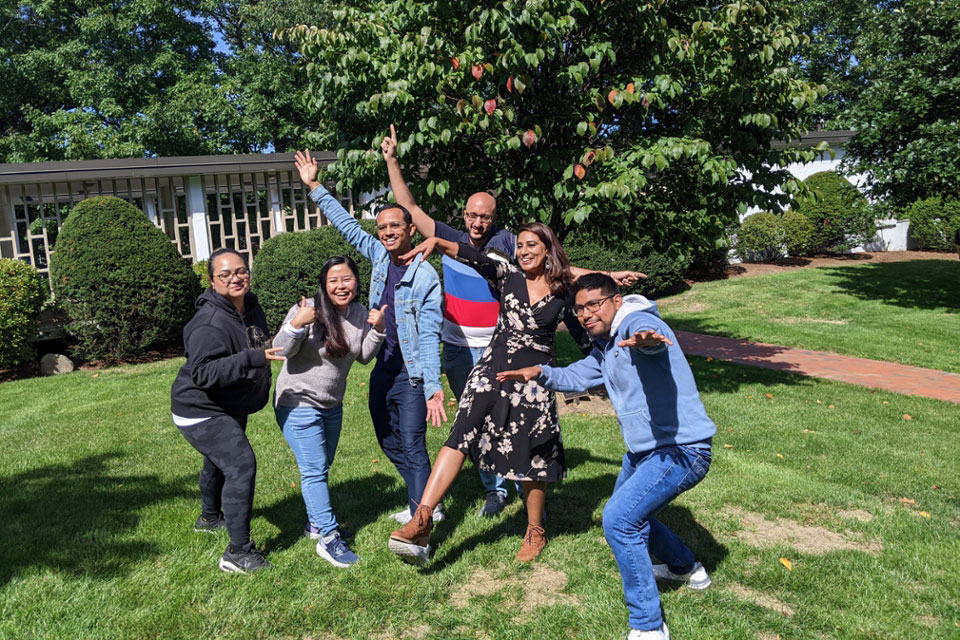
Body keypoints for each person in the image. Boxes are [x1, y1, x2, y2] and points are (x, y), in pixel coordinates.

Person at [381, 124, 645, 517]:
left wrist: (605, 275)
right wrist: (392, 162)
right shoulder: (452, 237)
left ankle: (497, 490)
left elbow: (556, 268)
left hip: (496, 343)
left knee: (509, 418)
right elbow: (412, 209)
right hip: (456, 345)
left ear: (494, 219)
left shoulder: (507, 245)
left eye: (484, 217)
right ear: (464, 215)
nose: (477, 222)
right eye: (472, 215)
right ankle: (482, 486)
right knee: (471, 419)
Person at [497, 273, 717, 640]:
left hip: (681, 450)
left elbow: (648, 332)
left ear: (617, 299)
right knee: (631, 514)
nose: (585, 314)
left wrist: (647, 339)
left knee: (619, 520)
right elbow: (579, 375)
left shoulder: (636, 321)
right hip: (644, 452)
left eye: (594, 305)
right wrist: (540, 373)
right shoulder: (606, 345)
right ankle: (684, 567)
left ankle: (648, 626)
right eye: (579, 309)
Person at [387, 223, 576, 565]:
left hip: (534, 382)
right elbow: (473, 257)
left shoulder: (565, 292)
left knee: (532, 451)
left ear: (548, 248)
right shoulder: (508, 276)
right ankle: (422, 519)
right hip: (491, 372)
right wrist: (437, 241)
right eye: (520, 246)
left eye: (532, 245)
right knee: (460, 435)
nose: (524, 252)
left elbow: (586, 333)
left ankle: (535, 530)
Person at [294, 150, 447, 526]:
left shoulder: (426, 278)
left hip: (409, 373)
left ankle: (423, 512)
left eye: (395, 226)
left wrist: (432, 386)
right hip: (383, 366)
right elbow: (347, 225)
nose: (388, 233)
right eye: (382, 228)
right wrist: (315, 186)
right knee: (387, 438)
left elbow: (428, 337)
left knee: (412, 443)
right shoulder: (380, 257)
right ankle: (424, 494)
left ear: (410, 229)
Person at [170, 248, 285, 574]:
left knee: (218, 461)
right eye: (225, 274)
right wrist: (254, 359)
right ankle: (238, 553)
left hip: (229, 402)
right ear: (212, 281)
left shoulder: (250, 304)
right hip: (200, 407)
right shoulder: (207, 323)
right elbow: (204, 373)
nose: (235, 278)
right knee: (240, 464)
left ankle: (209, 518)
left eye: (241, 271)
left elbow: (257, 342)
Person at [273, 256, 387, 568]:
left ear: (356, 282)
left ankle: (314, 524)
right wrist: (298, 324)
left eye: (346, 279)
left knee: (323, 465)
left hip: (331, 404)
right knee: (314, 470)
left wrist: (379, 330)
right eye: (333, 280)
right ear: (324, 283)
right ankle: (329, 538)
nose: (340, 286)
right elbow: (279, 350)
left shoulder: (360, 312)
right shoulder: (307, 308)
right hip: (296, 402)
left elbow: (363, 355)